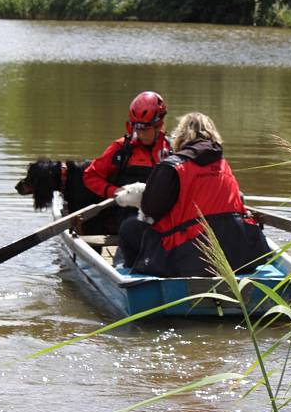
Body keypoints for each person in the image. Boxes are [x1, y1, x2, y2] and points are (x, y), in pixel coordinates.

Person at [114, 112, 271, 277]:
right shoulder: (223, 164)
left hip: (189, 256)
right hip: (238, 253)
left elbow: (151, 210)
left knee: (129, 227)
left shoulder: (172, 166)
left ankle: (134, 276)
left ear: (181, 135)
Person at [84, 91, 172, 200]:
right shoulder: (121, 149)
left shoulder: (172, 150)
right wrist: (116, 192)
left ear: (159, 126)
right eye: (137, 128)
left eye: (145, 129)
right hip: (127, 211)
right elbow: (90, 176)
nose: (140, 134)